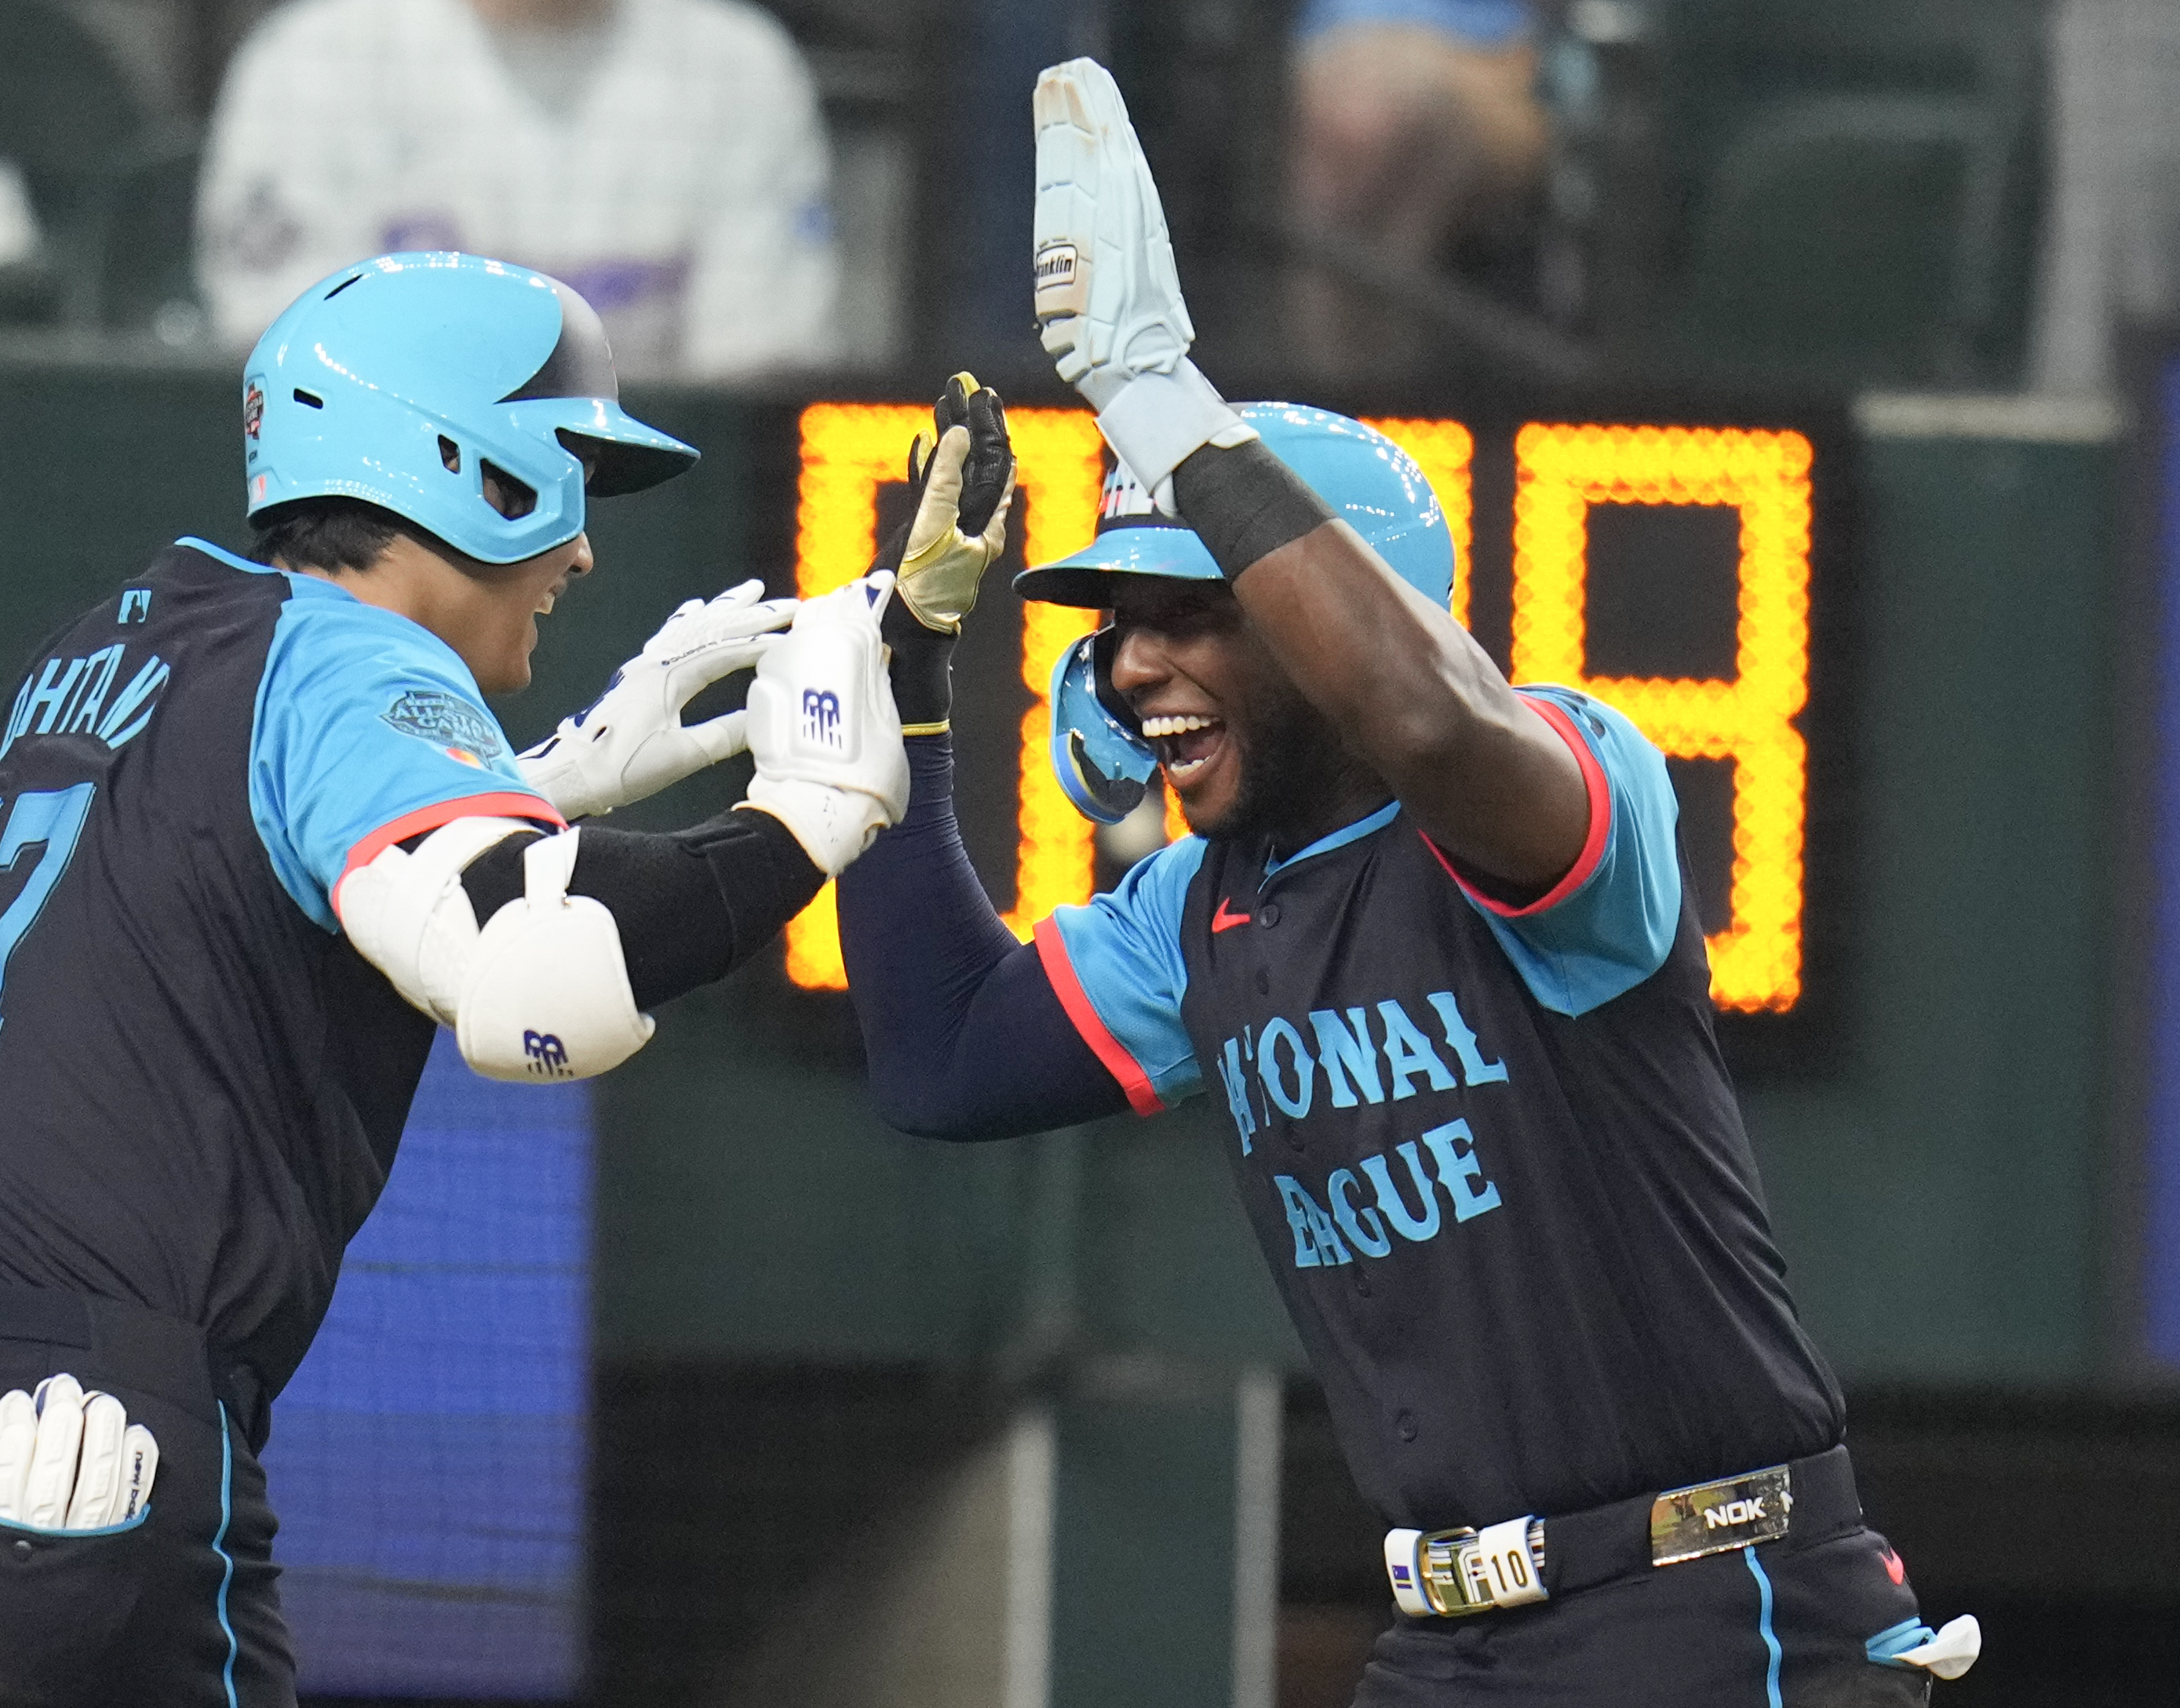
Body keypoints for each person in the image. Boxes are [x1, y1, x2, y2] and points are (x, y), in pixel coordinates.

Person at [834, 60, 1984, 1703]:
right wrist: (902, 700)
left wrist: (1166, 400)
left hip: (1703, 1605)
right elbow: (941, 1058)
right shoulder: (1201, 905)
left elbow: (1421, 717)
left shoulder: (1556, 789)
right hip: (1450, 1635)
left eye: (1197, 607)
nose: (1138, 657)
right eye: (1121, 621)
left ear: (1333, 610)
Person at [0, 250, 913, 1706]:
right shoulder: (357, 666)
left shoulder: (130, 631)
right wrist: (807, 818)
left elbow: (247, 873)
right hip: (53, 1446)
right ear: (470, 470)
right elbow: (533, 986)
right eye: (568, 474)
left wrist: (539, 784)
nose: (583, 554)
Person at [197, 0, 834, 378]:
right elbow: (286, 371)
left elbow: (753, 387)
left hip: (649, 507)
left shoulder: (740, 68)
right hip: (386, 522)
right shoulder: (314, 60)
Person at [1286, 0, 1546, 377]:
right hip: (1326, 58)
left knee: (1386, 117)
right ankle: (1326, 388)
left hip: (1491, 59)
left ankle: (1375, 382)